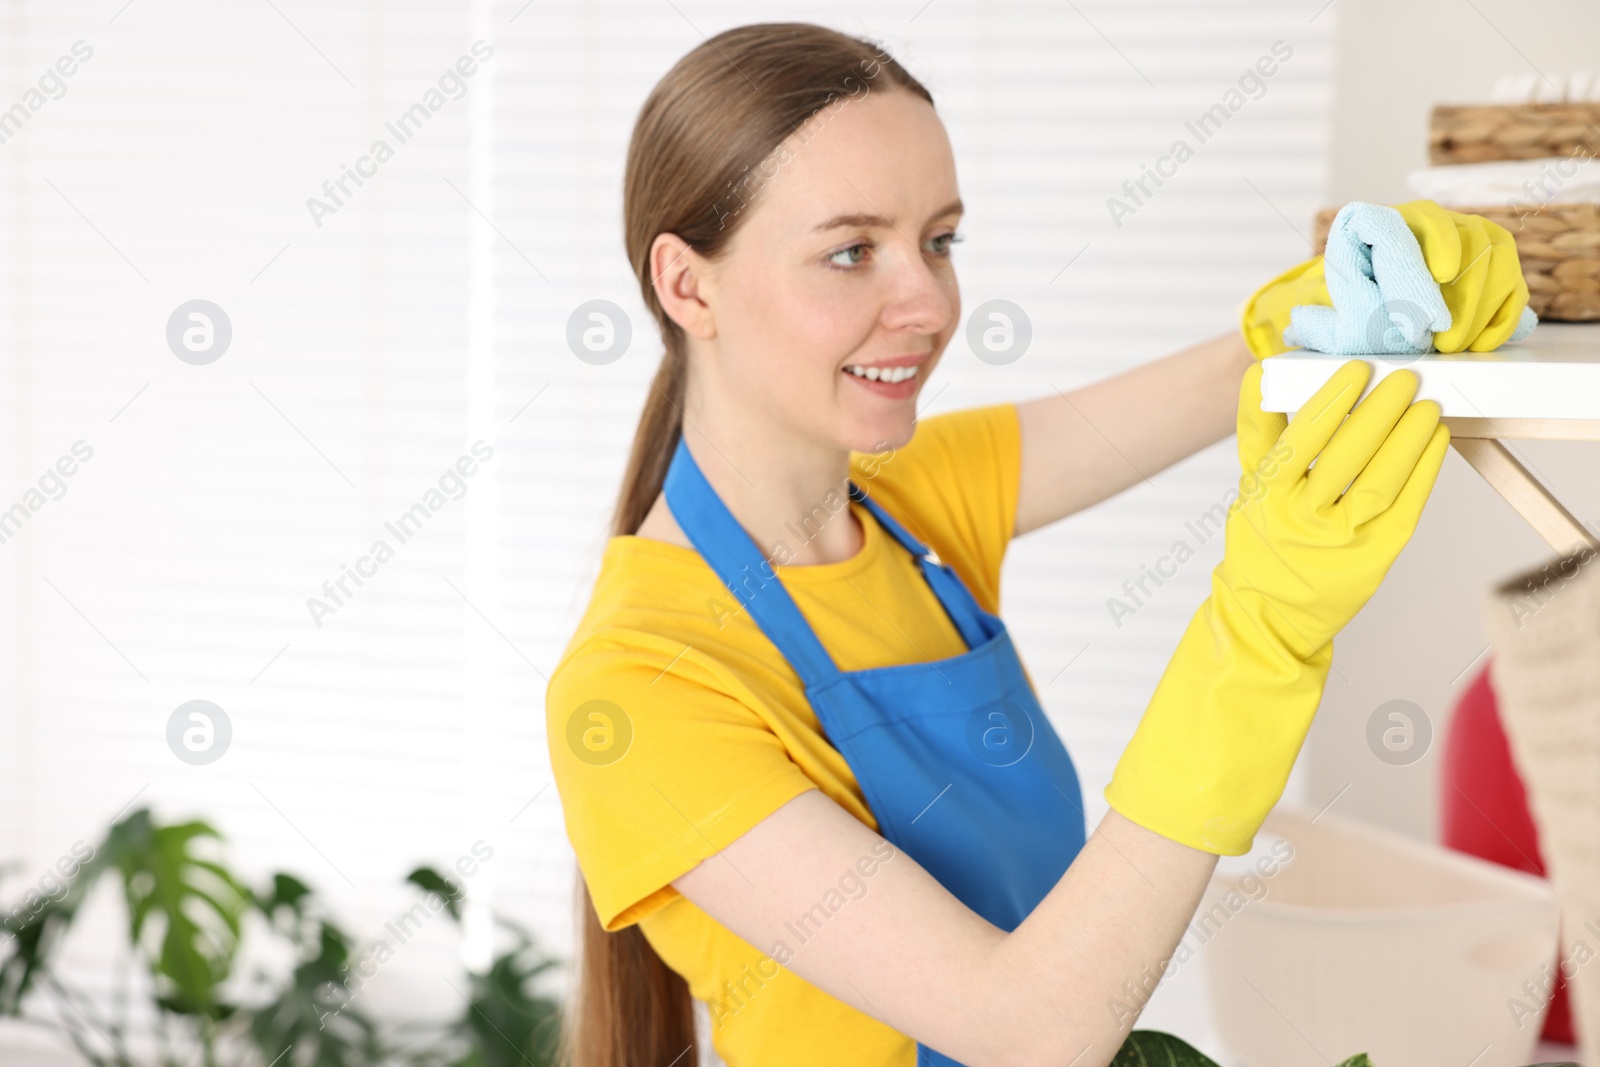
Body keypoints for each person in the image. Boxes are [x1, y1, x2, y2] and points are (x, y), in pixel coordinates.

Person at [544, 21, 1511, 1067]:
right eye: (851, 250)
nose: (927, 304)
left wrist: (1340, 302)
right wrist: (1264, 631)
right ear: (688, 286)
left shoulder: (909, 505)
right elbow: (1027, 1030)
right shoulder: (637, 688)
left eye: (940, 240)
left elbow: (1220, 374)